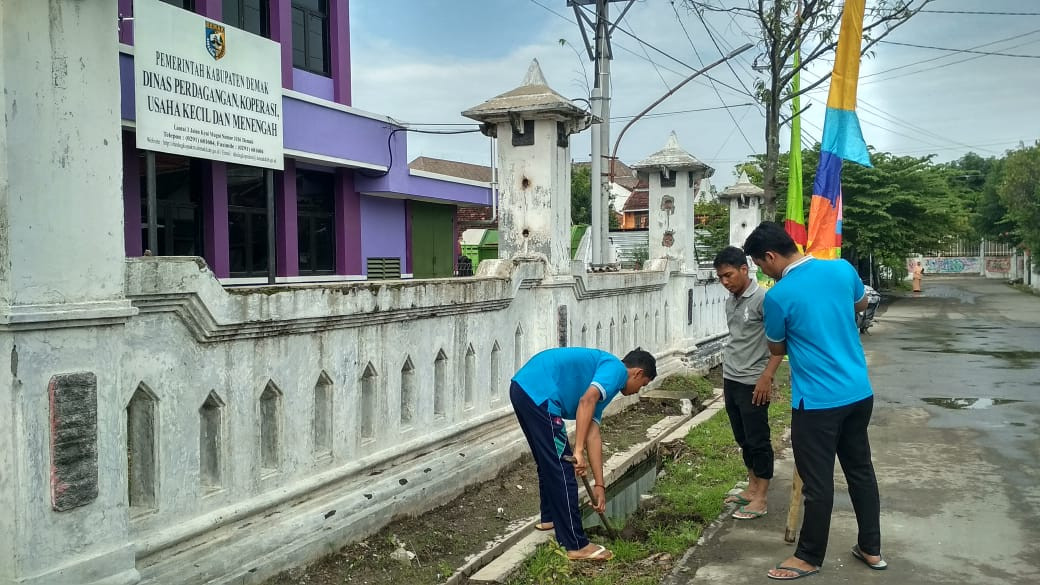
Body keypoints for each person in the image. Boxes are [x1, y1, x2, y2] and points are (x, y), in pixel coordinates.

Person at [742, 222, 886, 580]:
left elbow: (777, 346)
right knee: (860, 472)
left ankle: (808, 556)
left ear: (771, 256)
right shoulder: (841, 268)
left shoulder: (778, 295)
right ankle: (871, 548)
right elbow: (862, 303)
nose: (762, 271)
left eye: (760, 264)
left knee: (817, 481)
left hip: (817, 402)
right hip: (858, 392)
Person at [510, 347, 657, 561]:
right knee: (563, 468)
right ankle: (575, 544)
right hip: (540, 393)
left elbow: (592, 434)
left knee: (549, 461)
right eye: (642, 385)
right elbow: (585, 401)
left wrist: (600, 485)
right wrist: (577, 451)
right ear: (637, 373)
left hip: (524, 388)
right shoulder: (616, 369)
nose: (638, 390)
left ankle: (550, 517)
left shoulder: (605, 384)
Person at [713, 246, 784, 520]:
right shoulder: (731, 300)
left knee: (758, 439)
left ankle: (762, 497)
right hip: (732, 378)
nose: (725, 282)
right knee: (742, 438)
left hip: (754, 381)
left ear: (744, 269)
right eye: (720, 277)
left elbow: (779, 343)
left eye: (729, 275)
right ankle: (752, 487)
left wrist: (767, 377)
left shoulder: (764, 300)